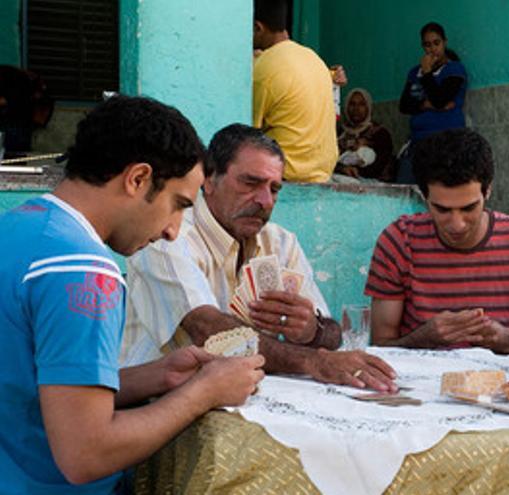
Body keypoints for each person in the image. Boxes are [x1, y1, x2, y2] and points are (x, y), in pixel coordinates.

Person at [0, 96, 265, 493]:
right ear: (138, 178)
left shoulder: (20, 226)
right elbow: (86, 453)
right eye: (178, 205)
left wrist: (157, 376)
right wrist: (202, 393)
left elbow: (41, 388)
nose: (174, 230)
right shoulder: (85, 271)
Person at [121, 123, 398, 393]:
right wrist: (314, 361)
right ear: (209, 180)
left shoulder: (280, 242)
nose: (265, 200)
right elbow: (208, 330)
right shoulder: (166, 236)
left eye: (275, 189)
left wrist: (312, 330)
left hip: (241, 396)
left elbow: (331, 332)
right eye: (250, 183)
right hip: (153, 402)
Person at [365, 128, 509, 358]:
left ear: (488, 191)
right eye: (442, 210)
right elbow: (380, 348)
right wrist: (424, 338)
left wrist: (507, 340)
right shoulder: (398, 241)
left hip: (497, 388)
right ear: (425, 198)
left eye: (468, 208)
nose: (457, 224)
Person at [252, 0, 344, 182]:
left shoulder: (264, 67)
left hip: (284, 174)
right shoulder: (315, 59)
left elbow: (247, 133)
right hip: (323, 174)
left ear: (258, 27)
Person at [397, 22, 467, 183]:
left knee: (442, 189)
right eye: (427, 45)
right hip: (418, 141)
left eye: (437, 43)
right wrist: (426, 105)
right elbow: (404, 105)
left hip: (448, 141)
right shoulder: (414, 72)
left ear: (445, 42)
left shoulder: (455, 70)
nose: (432, 49)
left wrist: (428, 74)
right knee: (406, 186)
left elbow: (440, 100)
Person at [335, 88, 395, 181]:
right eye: (352, 104)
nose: (356, 109)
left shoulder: (380, 133)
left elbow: (380, 166)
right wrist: (342, 169)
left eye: (362, 104)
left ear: (368, 107)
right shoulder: (340, 132)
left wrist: (356, 171)